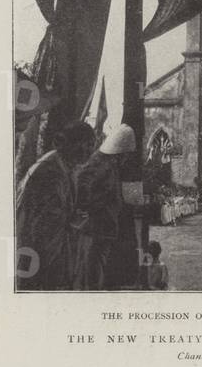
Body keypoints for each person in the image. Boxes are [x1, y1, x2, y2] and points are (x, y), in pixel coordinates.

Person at [16, 121, 95, 290]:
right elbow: (45, 226)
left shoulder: (64, 166)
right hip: (38, 251)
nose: (89, 152)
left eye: (91, 146)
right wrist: (73, 223)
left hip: (46, 248)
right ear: (69, 144)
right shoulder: (50, 171)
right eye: (85, 145)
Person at [73, 124, 135, 290]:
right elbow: (82, 191)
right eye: (125, 155)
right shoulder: (99, 164)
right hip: (95, 228)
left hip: (105, 227)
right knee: (91, 270)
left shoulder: (110, 165)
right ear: (118, 153)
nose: (126, 159)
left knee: (97, 268)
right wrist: (95, 207)